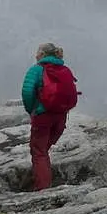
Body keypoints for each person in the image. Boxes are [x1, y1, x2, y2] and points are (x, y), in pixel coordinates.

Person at [21, 42, 79, 191]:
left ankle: (43, 188)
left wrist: (32, 110)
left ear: (42, 55)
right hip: (60, 117)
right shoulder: (64, 70)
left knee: (38, 151)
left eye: (38, 52)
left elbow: (27, 92)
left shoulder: (36, 70)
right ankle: (42, 180)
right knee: (43, 150)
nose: (35, 55)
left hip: (43, 116)